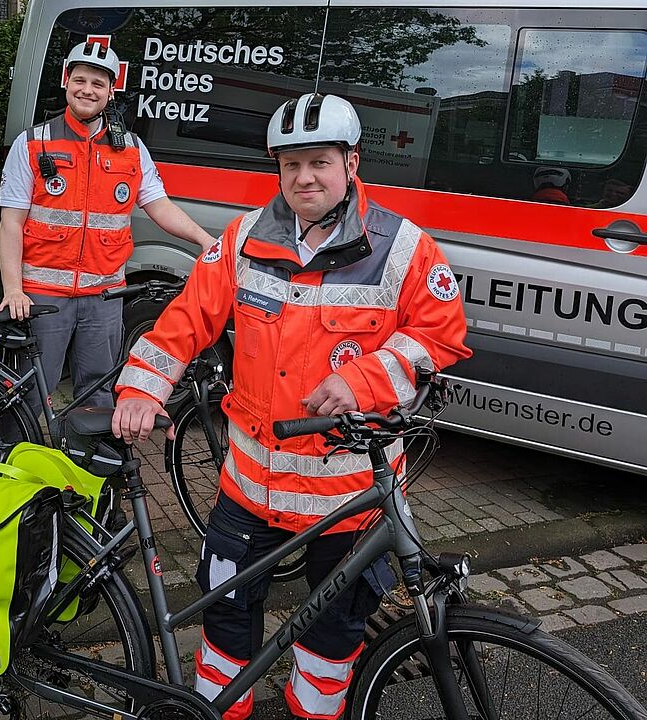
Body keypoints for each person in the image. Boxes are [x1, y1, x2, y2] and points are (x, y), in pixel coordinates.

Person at [112, 93, 471, 720]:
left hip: (350, 492)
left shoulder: (405, 248)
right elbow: (187, 318)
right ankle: (220, 711)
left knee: (334, 632)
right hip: (250, 485)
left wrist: (365, 381)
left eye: (319, 162)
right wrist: (143, 387)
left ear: (351, 162)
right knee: (225, 614)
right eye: (290, 164)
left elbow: (441, 332)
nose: (304, 177)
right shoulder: (244, 238)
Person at [0, 40, 214, 420]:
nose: (87, 90)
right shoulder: (31, 144)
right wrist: (13, 289)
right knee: (29, 393)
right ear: (66, 82)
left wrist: (203, 238)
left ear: (110, 91)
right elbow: (11, 223)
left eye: (98, 84)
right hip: (44, 297)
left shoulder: (131, 148)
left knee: (97, 391)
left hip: (104, 299)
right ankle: (13, 468)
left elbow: (158, 205)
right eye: (80, 80)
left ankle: (88, 470)